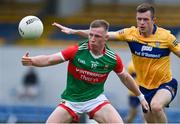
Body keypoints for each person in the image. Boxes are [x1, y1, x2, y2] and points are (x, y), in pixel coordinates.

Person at [52, 3, 180, 123]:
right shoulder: (130, 33)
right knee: (149, 119)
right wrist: (73, 31)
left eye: (145, 19)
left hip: (166, 84)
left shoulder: (167, 37)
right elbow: (102, 34)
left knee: (156, 107)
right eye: (139, 19)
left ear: (154, 20)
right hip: (144, 88)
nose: (141, 23)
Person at [21, 19, 149, 123]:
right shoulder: (77, 50)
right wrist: (32, 61)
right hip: (71, 101)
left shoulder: (112, 58)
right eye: (90, 35)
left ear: (106, 38)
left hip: (95, 100)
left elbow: (126, 78)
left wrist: (141, 96)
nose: (92, 39)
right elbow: (49, 59)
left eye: (97, 36)